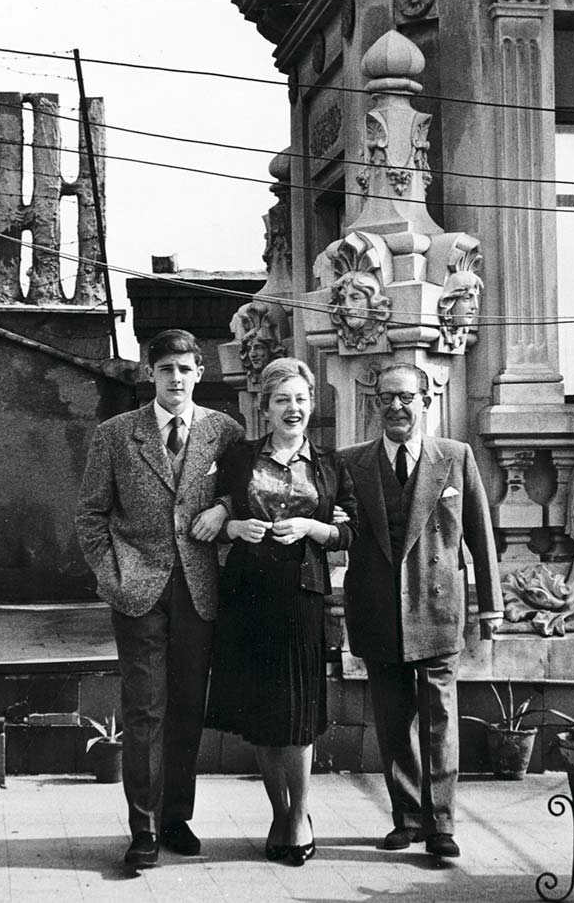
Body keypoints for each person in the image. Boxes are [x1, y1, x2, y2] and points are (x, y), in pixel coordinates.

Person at [75, 329, 245, 870]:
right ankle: (143, 829)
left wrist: (222, 507)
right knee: (145, 709)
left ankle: (177, 818)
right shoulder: (116, 434)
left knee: (187, 708)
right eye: (167, 368)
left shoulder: (225, 431)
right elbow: (90, 516)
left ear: (200, 373)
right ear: (152, 373)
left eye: (187, 368)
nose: (177, 378)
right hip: (139, 589)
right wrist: (114, 576)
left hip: (199, 589)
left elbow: (244, 490)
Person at [340, 363, 503, 859]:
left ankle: (442, 823)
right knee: (392, 721)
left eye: (407, 398)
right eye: (386, 398)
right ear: (373, 405)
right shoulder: (351, 463)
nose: (396, 407)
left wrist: (490, 608)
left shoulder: (455, 457)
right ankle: (407, 818)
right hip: (377, 609)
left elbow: (479, 532)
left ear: (426, 402)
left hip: (437, 609)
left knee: (440, 719)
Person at [205, 357, 357, 865]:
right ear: (264, 407)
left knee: (298, 715)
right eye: (282, 400)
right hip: (249, 595)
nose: (293, 409)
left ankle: (298, 817)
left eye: (301, 399)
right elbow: (219, 505)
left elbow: (349, 531)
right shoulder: (241, 457)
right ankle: (277, 811)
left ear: (312, 405)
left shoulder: (332, 465)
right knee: (264, 713)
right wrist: (233, 528)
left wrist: (315, 530)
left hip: (301, 596)